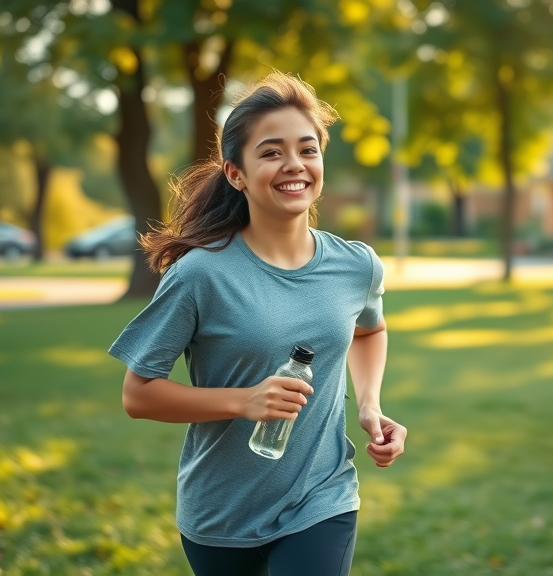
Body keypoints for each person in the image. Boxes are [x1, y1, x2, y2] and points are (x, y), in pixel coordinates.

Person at [108, 71, 407, 576]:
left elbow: (369, 329)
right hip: (221, 511)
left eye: (307, 149)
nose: (294, 165)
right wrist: (243, 401)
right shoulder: (201, 274)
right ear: (235, 173)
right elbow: (138, 395)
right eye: (271, 152)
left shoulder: (357, 265)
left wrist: (371, 406)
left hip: (322, 494)